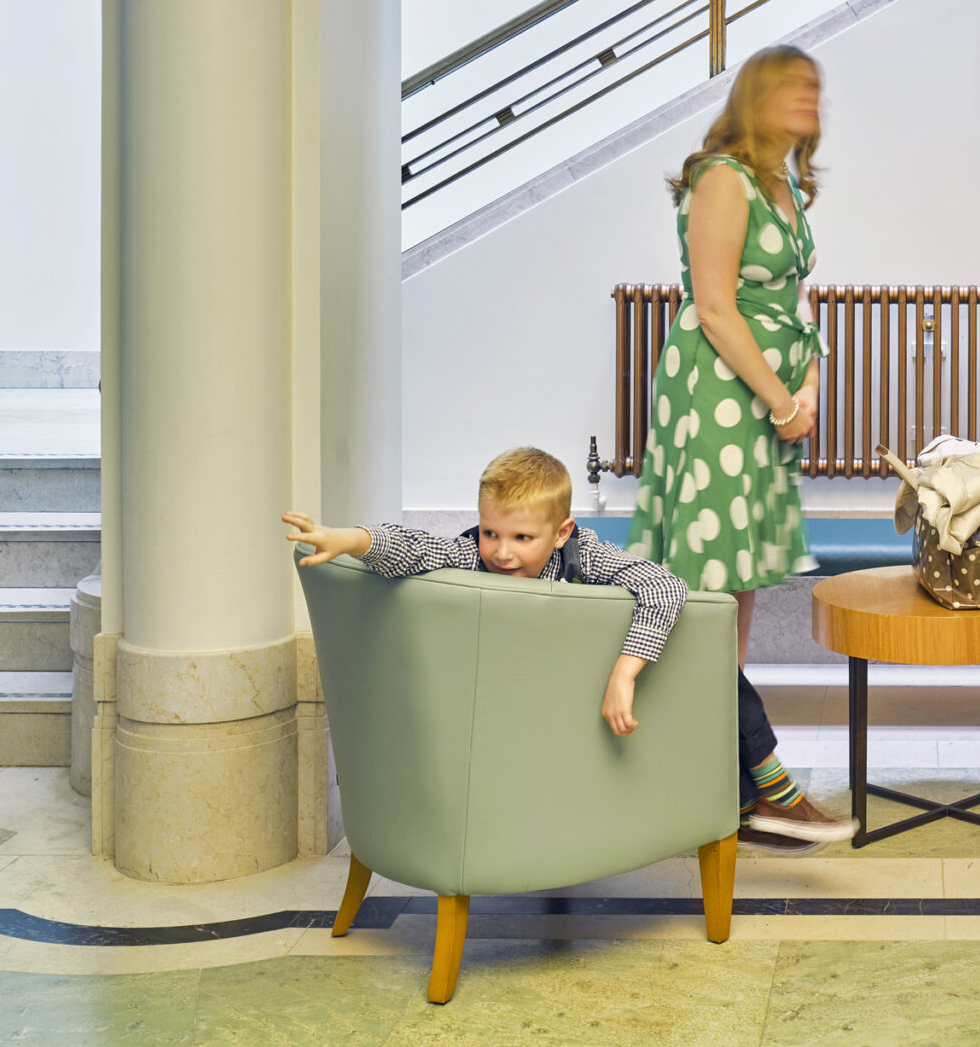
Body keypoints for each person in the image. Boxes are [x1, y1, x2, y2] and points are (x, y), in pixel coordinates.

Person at [627, 43, 856, 848]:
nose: (811, 98)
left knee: (735, 591)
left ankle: (717, 781)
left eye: (816, 88)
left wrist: (811, 386)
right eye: (794, 86)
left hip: (765, 404)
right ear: (755, 96)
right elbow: (718, 309)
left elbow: (796, 301)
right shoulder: (721, 177)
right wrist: (776, 395)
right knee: (706, 591)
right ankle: (761, 781)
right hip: (721, 397)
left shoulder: (786, 184)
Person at [282, 445, 681, 736]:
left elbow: (665, 587)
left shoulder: (583, 555)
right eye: (491, 532)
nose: (502, 553)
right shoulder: (472, 554)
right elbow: (416, 548)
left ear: (561, 533)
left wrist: (623, 675)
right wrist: (351, 540)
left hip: (574, 706)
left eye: (523, 537)